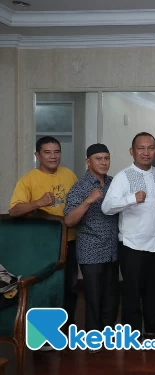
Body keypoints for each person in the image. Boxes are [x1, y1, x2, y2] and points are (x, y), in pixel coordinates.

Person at [8, 136, 79, 339]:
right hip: (42, 246)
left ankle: (66, 330)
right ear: (37, 155)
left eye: (56, 152)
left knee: (69, 287)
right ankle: (42, 335)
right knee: (44, 289)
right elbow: (13, 210)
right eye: (47, 152)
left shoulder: (69, 174)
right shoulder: (29, 179)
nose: (53, 156)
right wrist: (38, 202)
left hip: (69, 241)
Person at [101, 132, 155, 338]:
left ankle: (152, 327)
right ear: (132, 151)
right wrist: (132, 198)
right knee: (132, 292)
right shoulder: (123, 177)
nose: (146, 152)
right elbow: (107, 207)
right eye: (141, 148)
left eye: (150, 148)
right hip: (133, 245)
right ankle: (131, 333)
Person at [64, 144, 119, 352]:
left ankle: (108, 334)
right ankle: (93, 339)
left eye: (106, 158)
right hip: (91, 249)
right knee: (94, 296)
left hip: (113, 248)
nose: (103, 162)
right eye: (98, 158)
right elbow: (69, 220)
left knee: (111, 295)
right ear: (88, 161)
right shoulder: (80, 187)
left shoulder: (114, 183)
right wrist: (88, 201)